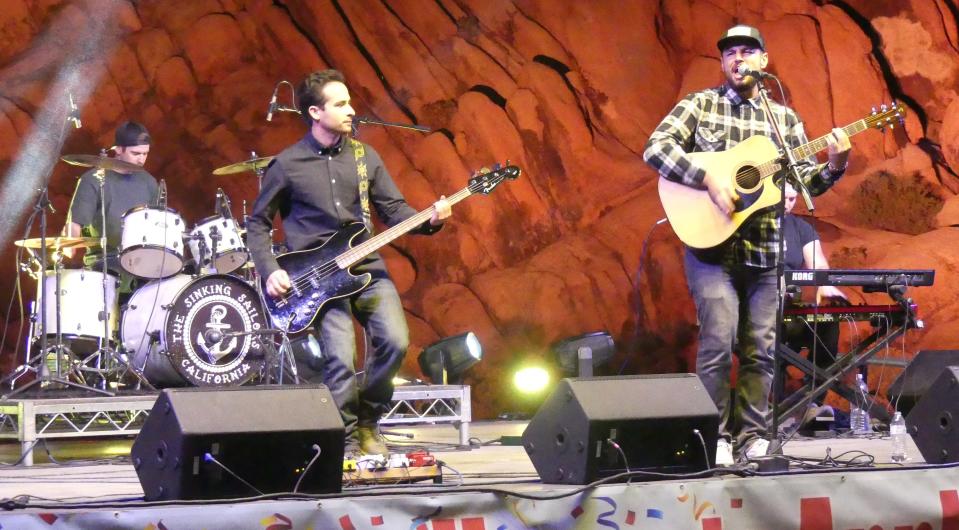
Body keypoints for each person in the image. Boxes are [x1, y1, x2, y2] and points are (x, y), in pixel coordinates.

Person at [643, 25, 852, 463]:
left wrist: (836, 164)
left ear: (763, 61)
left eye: (747, 52)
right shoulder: (700, 105)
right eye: (730, 53)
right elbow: (655, 148)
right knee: (718, 343)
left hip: (765, 253)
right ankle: (714, 438)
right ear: (722, 63)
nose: (738, 59)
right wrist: (708, 179)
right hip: (711, 252)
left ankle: (751, 437)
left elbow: (805, 183)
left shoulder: (785, 120)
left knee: (762, 349)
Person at [246, 69, 452, 457]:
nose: (351, 110)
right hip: (316, 280)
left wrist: (431, 220)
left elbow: (393, 210)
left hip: (367, 268)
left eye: (349, 101)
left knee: (394, 341)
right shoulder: (287, 164)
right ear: (314, 112)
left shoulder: (364, 157)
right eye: (340, 104)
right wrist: (270, 269)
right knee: (341, 359)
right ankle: (348, 439)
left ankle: (371, 418)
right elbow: (256, 223)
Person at [63, 121, 158, 294]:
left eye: (145, 154)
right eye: (136, 153)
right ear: (119, 149)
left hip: (141, 264)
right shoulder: (93, 179)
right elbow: (74, 224)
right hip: (104, 263)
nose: (141, 159)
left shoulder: (149, 183)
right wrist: (69, 244)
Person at [779, 182, 846, 404]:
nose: (787, 204)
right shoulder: (751, 227)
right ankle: (774, 410)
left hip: (789, 311)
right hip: (759, 312)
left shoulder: (801, 228)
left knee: (827, 324)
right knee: (769, 344)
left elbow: (817, 263)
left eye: (792, 199)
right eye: (783, 197)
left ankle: (814, 402)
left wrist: (825, 284)